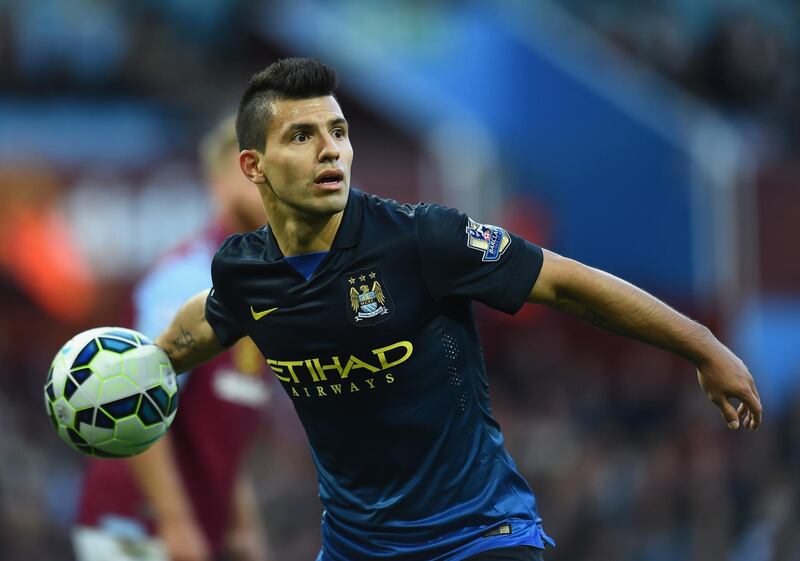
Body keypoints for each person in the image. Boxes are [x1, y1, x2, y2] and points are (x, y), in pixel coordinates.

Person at [154, 58, 762, 561]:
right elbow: (201, 325)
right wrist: (142, 365)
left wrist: (703, 345)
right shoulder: (245, 271)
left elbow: (569, 285)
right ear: (252, 166)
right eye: (301, 136)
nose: (330, 151)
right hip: (356, 549)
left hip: (477, 537)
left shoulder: (422, 240)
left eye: (338, 131)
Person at [73, 117, 274, 561]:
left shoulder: (256, 287)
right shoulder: (188, 277)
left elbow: (216, 430)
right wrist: (175, 521)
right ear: (219, 183)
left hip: (188, 530)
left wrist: (243, 527)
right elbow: (131, 395)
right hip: (136, 531)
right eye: (253, 171)